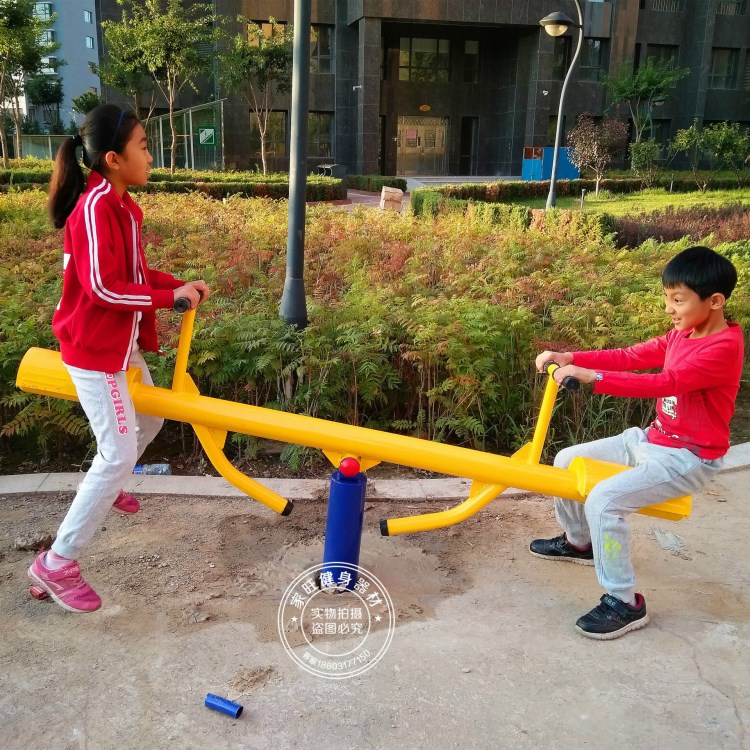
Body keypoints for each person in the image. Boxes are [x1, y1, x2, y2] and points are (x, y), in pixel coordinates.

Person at [28, 104, 210, 613]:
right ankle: (57, 563)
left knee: (150, 418)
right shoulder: (94, 209)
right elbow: (104, 288)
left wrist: (176, 285)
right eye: (144, 147)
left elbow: (132, 271)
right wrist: (166, 300)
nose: (151, 156)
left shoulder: (124, 206)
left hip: (120, 344)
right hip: (96, 350)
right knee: (118, 453)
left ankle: (109, 486)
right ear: (113, 157)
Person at [531, 245, 743, 640]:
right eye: (667, 298)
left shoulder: (722, 348)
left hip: (687, 457)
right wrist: (570, 355)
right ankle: (580, 544)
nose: (669, 309)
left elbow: (665, 383)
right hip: (652, 439)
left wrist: (594, 378)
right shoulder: (684, 332)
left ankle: (625, 602)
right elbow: (633, 355)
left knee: (605, 501)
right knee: (566, 459)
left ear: (714, 301)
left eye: (677, 300)